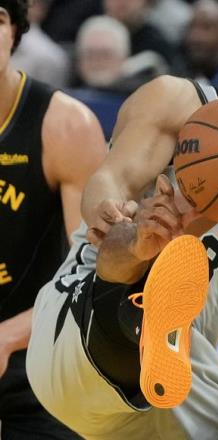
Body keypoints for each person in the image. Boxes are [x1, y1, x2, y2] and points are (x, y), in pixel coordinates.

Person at [26, 7, 218, 439]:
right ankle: (141, 307)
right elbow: (110, 179)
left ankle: (155, 320)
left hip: (170, 384)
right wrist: (116, 217)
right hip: (81, 323)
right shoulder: (181, 100)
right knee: (144, 245)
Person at [0, 1, 107, 438]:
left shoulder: (65, 126)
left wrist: (8, 336)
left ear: (15, 31)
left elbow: (97, 269)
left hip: (41, 357)